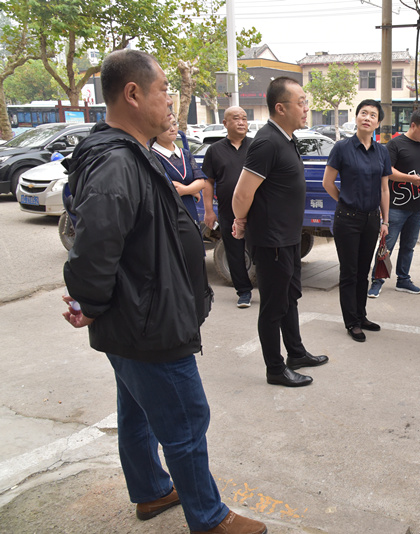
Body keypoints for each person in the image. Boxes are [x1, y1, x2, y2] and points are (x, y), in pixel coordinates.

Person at [62, 49, 266, 534]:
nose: (170, 102)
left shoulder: (132, 153)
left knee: (137, 410)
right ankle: (209, 518)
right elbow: (94, 246)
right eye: (163, 92)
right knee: (186, 418)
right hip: (147, 321)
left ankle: (152, 490)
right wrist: (90, 303)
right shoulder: (117, 161)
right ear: (133, 94)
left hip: (136, 316)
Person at [230, 77, 328, 388]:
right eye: (301, 102)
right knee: (273, 306)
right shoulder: (267, 142)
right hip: (271, 240)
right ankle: (275, 368)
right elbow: (242, 193)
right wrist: (240, 220)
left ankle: (296, 353)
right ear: (280, 107)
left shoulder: (286, 139)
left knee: (290, 298)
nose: (306, 108)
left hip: (288, 238)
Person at [323, 99, 391, 342]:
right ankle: (351, 322)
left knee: (364, 272)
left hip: (371, 219)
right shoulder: (342, 148)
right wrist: (345, 201)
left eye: (373, 115)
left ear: (378, 123)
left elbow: (384, 189)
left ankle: (361, 316)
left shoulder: (382, 152)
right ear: (356, 117)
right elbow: (328, 182)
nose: (367, 117)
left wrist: (385, 221)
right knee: (349, 272)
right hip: (347, 220)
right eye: (364, 112)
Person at [367, 108, 420, 298]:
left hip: (418, 206)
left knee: (409, 245)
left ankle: (403, 279)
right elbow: (388, 171)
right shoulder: (395, 144)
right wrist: (411, 179)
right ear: (413, 125)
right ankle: (377, 280)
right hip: (395, 206)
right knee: (387, 244)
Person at [202, 106, 254, 308]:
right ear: (225, 123)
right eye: (236, 118)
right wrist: (209, 211)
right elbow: (208, 182)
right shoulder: (214, 150)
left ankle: (268, 289)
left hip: (256, 210)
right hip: (228, 212)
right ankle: (244, 292)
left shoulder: (256, 146)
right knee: (234, 252)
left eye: (244, 118)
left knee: (262, 250)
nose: (241, 122)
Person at [151, 113, 206, 223]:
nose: (172, 129)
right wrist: (192, 190)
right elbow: (167, 186)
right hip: (168, 212)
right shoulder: (152, 156)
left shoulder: (185, 153)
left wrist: (185, 190)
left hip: (189, 208)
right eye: (167, 125)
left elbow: (201, 182)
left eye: (174, 124)